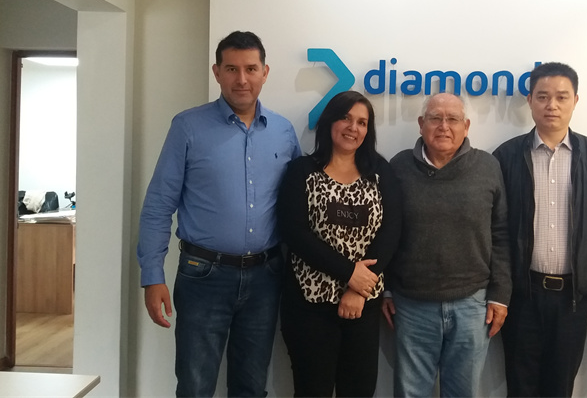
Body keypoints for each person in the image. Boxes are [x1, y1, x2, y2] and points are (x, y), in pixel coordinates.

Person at [136, 31, 301, 397]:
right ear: (217, 72)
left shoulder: (284, 132)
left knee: (251, 387)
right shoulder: (188, 127)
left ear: (265, 72)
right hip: (203, 276)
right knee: (195, 387)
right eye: (231, 69)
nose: (241, 79)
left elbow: (299, 205)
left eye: (250, 69)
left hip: (265, 277)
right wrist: (152, 275)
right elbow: (159, 204)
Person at [492, 62, 587, 397]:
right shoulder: (505, 156)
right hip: (522, 295)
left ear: (575, 100)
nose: (552, 105)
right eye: (543, 96)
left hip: (574, 297)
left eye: (562, 97)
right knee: (520, 386)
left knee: (560, 387)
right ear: (530, 100)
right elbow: (496, 230)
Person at [382, 92, 511, 397]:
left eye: (453, 119)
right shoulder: (398, 167)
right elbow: (384, 232)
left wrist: (500, 295)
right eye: (435, 118)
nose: (444, 126)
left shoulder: (488, 166)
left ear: (466, 126)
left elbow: (501, 233)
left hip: (473, 304)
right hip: (411, 305)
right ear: (420, 124)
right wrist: (385, 288)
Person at [277, 90, 402, 397]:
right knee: (312, 391)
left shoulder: (380, 171)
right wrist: (350, 274)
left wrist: (358, 289)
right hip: (309, 306)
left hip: (363, 306)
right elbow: (294, 233)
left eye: (362, 122)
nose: (353, 127)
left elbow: (391, 231)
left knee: (359, 390)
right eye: (345, 118)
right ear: (330, 121)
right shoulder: (302, 170)